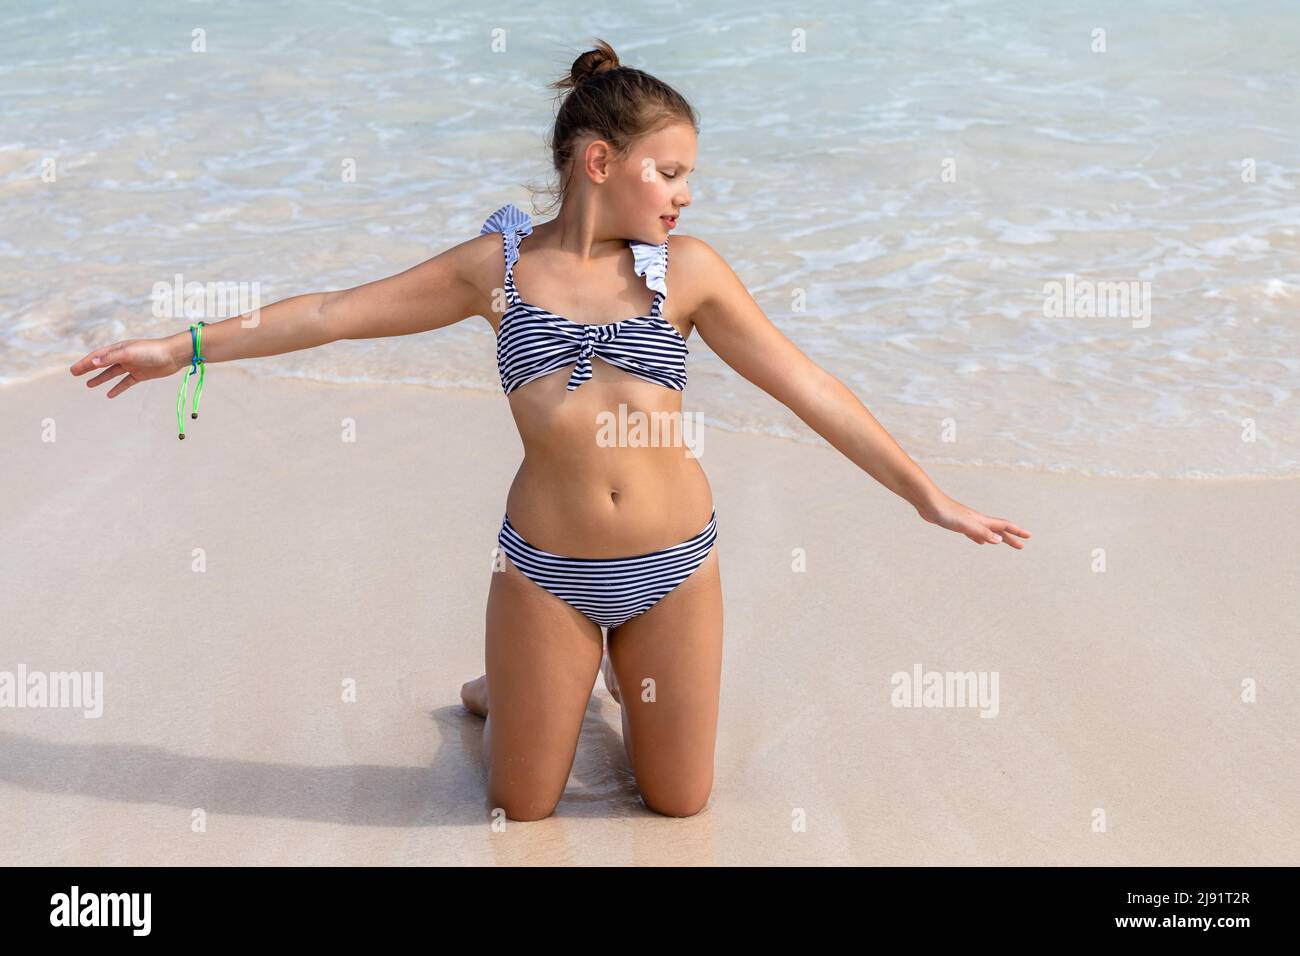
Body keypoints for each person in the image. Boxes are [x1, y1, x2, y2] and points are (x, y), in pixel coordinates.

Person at [69, 38, 1030, 823]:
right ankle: (508, 687)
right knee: (520, 809)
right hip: (545, 573)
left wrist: (928, 497)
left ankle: (591, 685)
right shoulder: (496, 268)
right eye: (673, 172)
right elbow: (331, 312)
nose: (686, 195)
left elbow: (808, 387)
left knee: (680, 804)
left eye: (691, 177)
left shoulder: (687, 272)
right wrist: (182, 347)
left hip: (675, 567)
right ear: (598, 162)